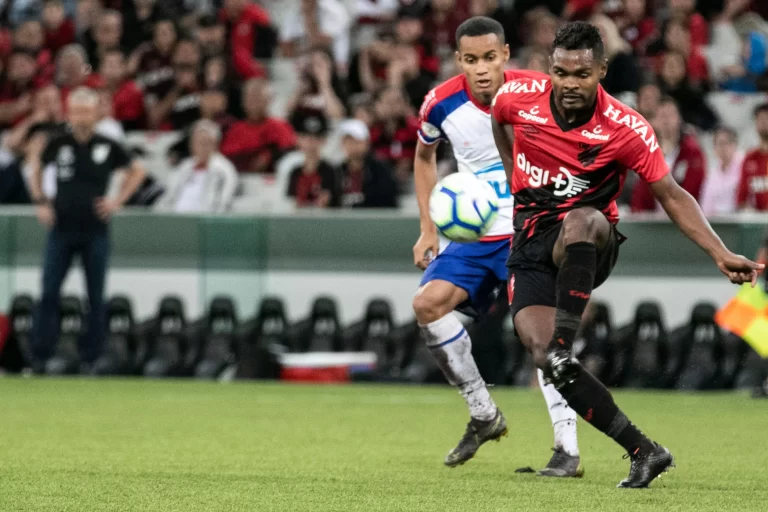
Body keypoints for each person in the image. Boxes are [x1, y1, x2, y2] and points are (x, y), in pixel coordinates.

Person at [491, 21, 762, 488]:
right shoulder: (515, 97)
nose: (570, 83)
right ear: (548, 69)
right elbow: (499, 121)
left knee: (581, 218)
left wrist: (718, 251)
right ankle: (644, 450)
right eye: (561, 72)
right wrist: (511, 167)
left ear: (601, 71)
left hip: (589, 241)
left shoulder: (625, 128)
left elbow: (672, 194)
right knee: (543, 358)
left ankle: (563, 343)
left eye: (581, 74)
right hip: (530, 241)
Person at [412, 16, 583, 476]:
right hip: (473, 234)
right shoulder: (440, 104)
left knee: (541, 341)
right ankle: (484, 414)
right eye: (472, 60)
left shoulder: (537, 90)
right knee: (427, 305)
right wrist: (428, 228)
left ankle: (567, 449)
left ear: (505, 54)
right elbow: (424, 156)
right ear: (459, 61)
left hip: (528, 229)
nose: (482, 68)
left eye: (490, 57)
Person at [26, 87, 146, 372]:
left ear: (96, 113)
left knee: (95, 295)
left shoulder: (108, 144)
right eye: (76, 111)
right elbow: (36, 166)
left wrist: (118, 201)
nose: (81, 117)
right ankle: (40, 355)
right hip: (62, 228)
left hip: (95, 230)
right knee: (49, 291)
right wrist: (41, 201)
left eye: (86, 111)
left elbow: (138, 170)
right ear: (69, 113)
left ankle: (92, 357)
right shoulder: (58, 143)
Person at [630, 97, 706, 212]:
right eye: (662, 116)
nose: (666, 120)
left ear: (679, 119)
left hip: (685, 216)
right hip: (652, 219)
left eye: (670, 115)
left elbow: (695, 187)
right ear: (654, 121)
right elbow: (641, 190)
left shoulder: (692, 152)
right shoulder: (648, 151)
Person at [159, 119, 238, 213]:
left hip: (205, 221)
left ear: (215, 144)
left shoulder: (224, 169)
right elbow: (169, 195)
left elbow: (224, 200)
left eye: (206, 143)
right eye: (198, 143)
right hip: (176, 220)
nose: (202, 147)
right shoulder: (184, 166)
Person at [220, 78, 296, 173]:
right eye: (250, 97)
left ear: (269, 100)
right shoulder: (234, 130)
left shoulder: (280, 127)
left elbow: (290, 155)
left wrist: (269, 156)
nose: (254, 102)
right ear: (243, 101)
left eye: (258, 96)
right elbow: (226, 161)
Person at [338, 119, 398, 208]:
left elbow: (387, 201)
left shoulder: (380, 170)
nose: (352, 145)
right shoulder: (337, 171)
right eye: (348, 141)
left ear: (366, 142)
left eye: (356, 141)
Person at [700, 126, 744, 216]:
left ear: (734, 144)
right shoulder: (713, 174)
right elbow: (706, 203)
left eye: (724, 143)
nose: (722, 148)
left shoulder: (744, 166)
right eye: (718, 144)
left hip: (739, 220)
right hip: (717, 222)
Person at [737, 103, 768, 211]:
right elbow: (741, 198)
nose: (764, 122)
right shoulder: (749, 158)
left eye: (767, 118)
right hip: (758, 222)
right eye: (760, 119)